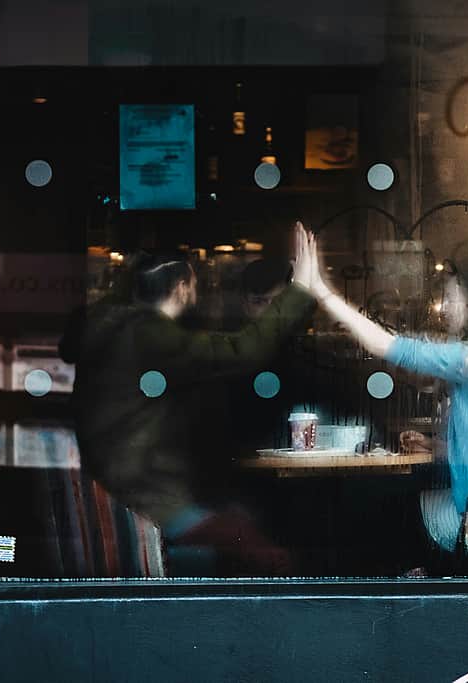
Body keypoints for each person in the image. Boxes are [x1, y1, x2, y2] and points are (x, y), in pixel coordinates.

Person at [61, 223, 317, 575]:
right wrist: (300, 288)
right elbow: (245, 350)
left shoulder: (114, 325)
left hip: (120, 486)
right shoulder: (150, 334)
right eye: (195, 282)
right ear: (182, 287)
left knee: (245, 515)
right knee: (272, 556)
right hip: (146, 497)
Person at [295, 230, 468, 560]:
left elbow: (387, 346)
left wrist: (320, 290)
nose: (443, 307)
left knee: (382, 510)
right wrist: (439, 447)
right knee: (404, 504)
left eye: (450, 296)